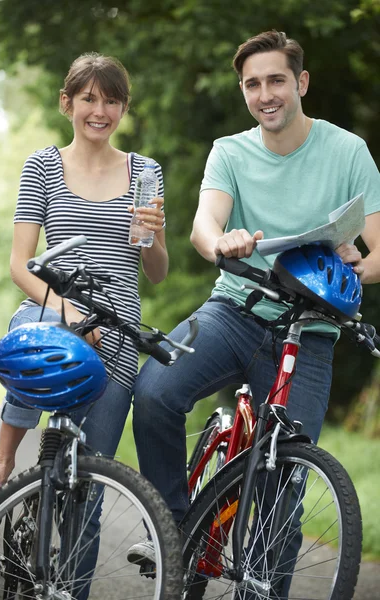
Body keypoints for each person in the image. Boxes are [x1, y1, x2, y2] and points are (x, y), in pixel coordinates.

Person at [128, 29, 380, 595]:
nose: (265, 94)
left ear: (301, 83)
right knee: (156, 393)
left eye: (276, 81)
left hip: (310, 331)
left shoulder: (348, 152)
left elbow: (379, 249)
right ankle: (172, 530)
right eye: (252, 84)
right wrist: (225, 240)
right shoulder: (230, 150)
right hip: (234, 311)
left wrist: (352, 265)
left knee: (283, 476)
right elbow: (202, 227)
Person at [0, 54, 167, 501]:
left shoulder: (145, 172)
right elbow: (20, 264)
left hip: (118, 331)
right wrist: (68, 310)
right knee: (38, 335)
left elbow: (157, 274)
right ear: (67, 103)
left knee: (86, 492)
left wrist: (152, 240)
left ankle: (71, 574)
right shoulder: (42, 165)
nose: (100, 112)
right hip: (55, 312)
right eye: (89, 99)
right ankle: (3, 458)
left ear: (123, 109)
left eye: (112, 101)